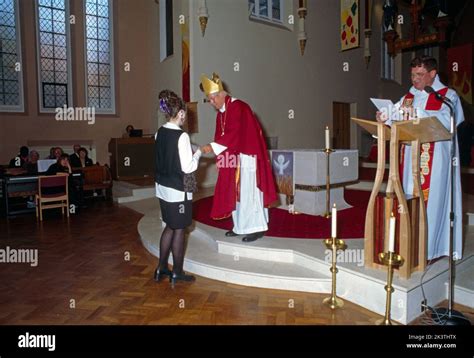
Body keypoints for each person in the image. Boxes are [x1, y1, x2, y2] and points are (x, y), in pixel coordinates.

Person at [376, 56, 464, 260]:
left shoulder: (447, 96)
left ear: (433, 74)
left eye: (420, 74)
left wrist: (418, 112)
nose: (414, 79)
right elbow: (395, 113)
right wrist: (385, 116)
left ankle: (431, 250)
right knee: (409, 198)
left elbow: (448, 123)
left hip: (436, 159)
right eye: (412, 74)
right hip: (410, 159)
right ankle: (409, 245)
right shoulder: (409, 96)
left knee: (432, 203)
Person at [199, 73, 277, 242]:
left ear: (221, 94)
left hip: (249, 158)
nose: (211, 103)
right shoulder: (221, 113)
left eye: (212, 99)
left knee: (249, 193)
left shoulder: (239, 107)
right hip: (235, 159)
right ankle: (241, 226)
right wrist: (222, 158)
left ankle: (257, 227)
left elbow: (234, 134)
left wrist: (211, 146)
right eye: (209, 100)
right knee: (236, 193)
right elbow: (221, 136)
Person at [154, 89, 202, 285]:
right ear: (180, 113)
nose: (185, 117)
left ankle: (162, 268)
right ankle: (178, 272)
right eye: (185, 113)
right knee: (180, 229)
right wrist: (197, 153)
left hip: (162, 188)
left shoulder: (159, 133)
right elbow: (187, 167)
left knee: (169, 227)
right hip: (177, 190)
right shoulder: (182, 137)